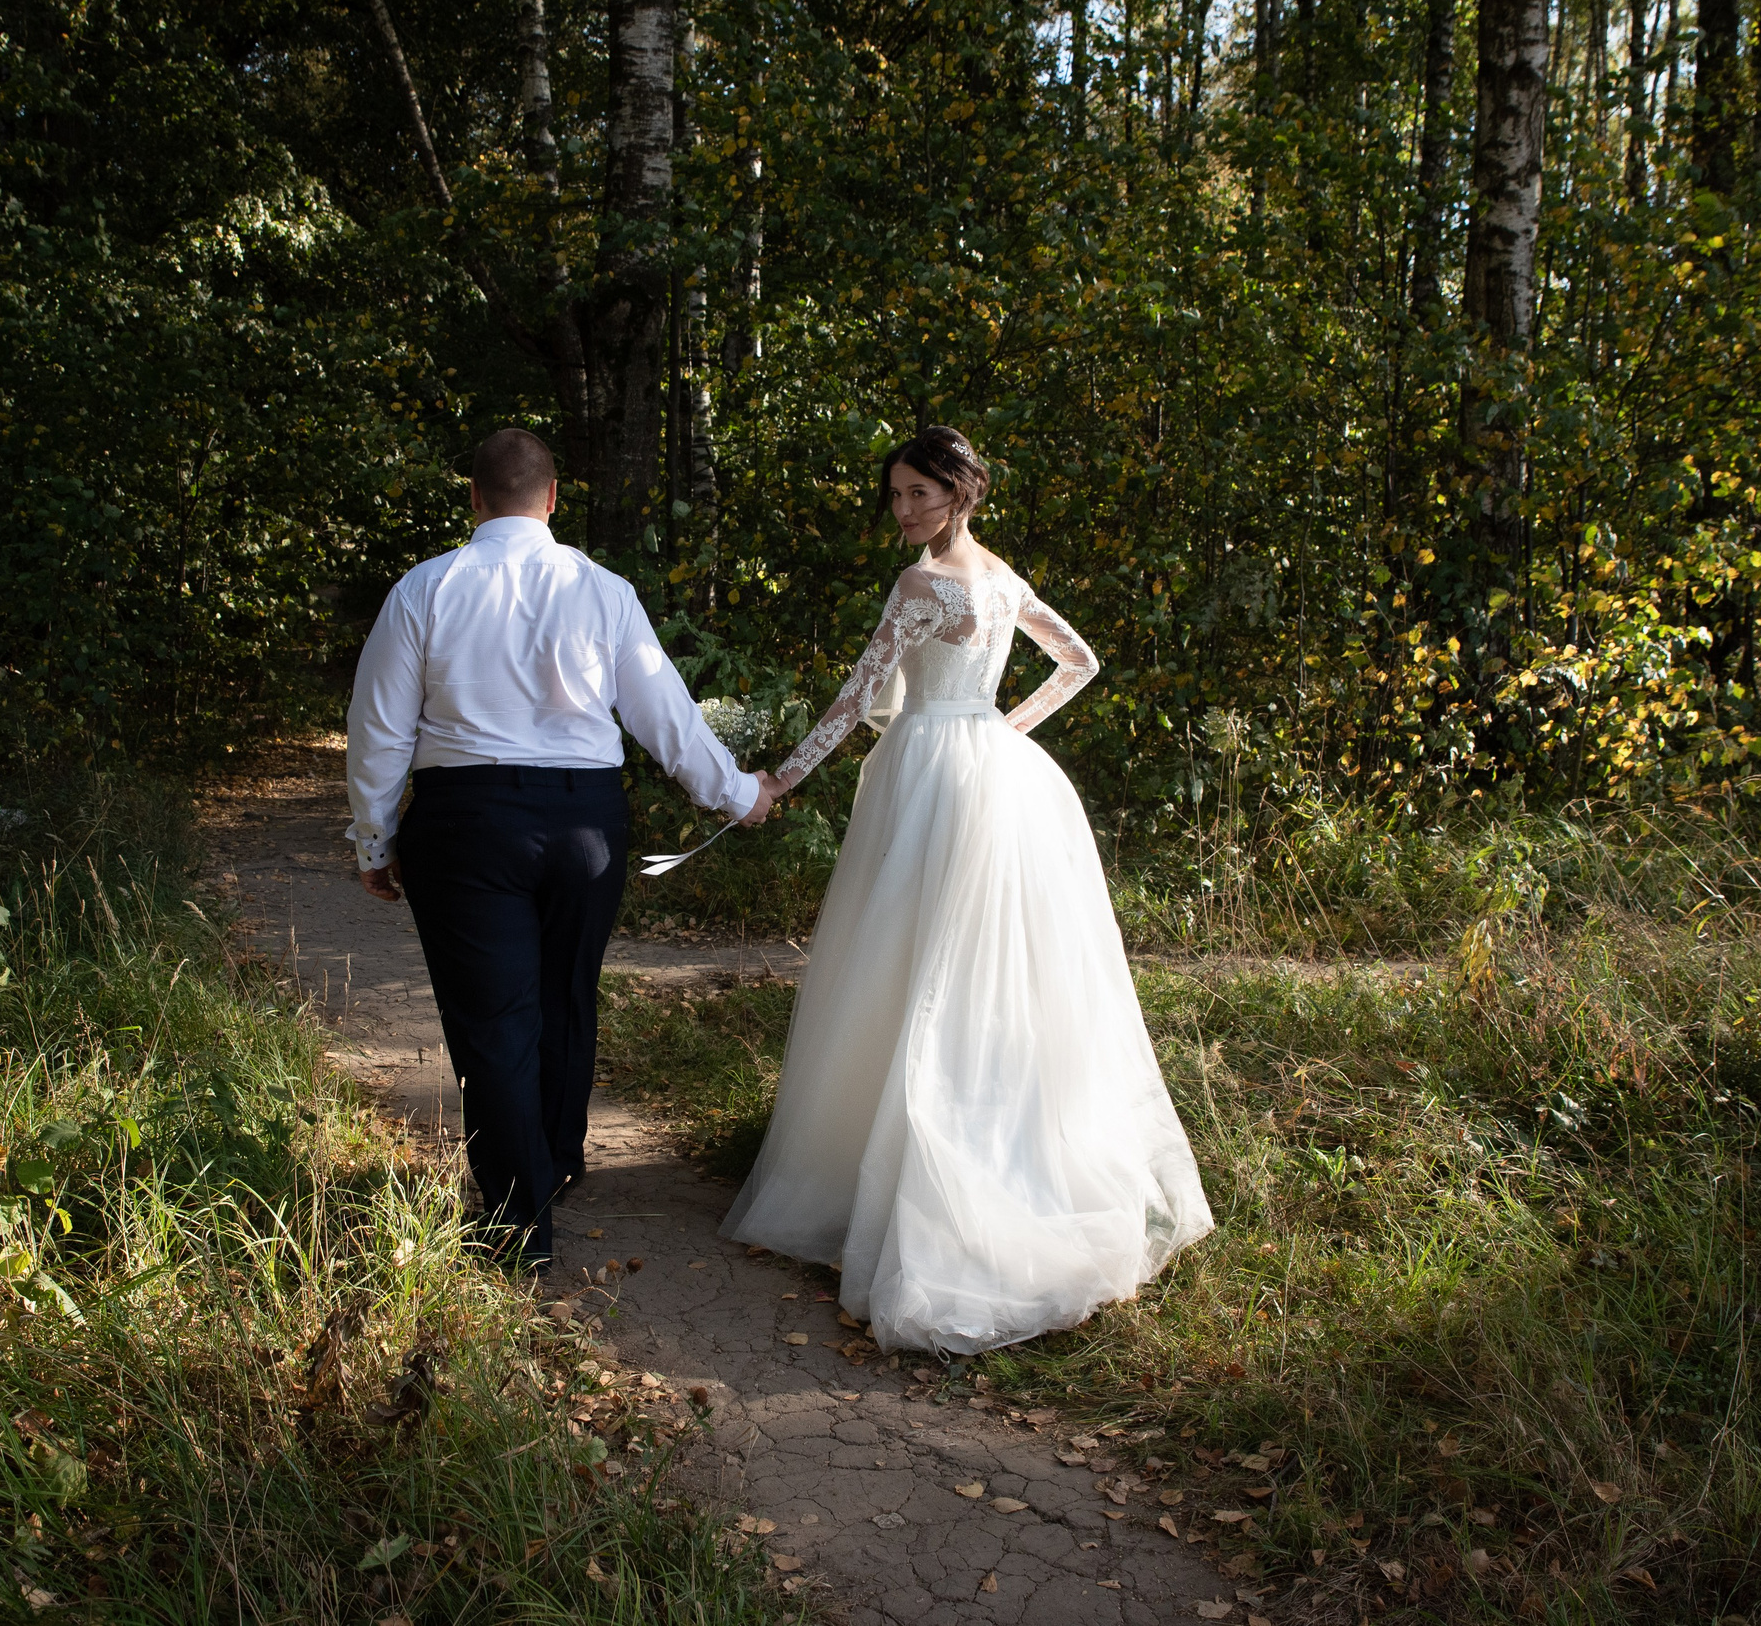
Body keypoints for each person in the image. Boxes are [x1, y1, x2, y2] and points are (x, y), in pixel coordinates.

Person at [720, 426, 1213, 1354]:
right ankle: (969, 1162)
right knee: (972, 969)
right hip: (989, 769)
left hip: (927, 773)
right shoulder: (1004, 578)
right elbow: (1080, 662)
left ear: (960, 491)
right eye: (896, 494)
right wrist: (1004, 731)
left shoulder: (921, 587)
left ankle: (907, 1183)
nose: (903, 510)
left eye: (919, 493)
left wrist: (780, 780)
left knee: (914, 962)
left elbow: (856, 695)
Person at [346, 429, 777, 1270]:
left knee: (493, 1019)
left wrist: (374, 837)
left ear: (474, 497)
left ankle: (519, 1225)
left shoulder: (424, 589)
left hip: (465, 824)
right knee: (567, 994)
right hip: (585, 821)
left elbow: (380, 728)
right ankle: (555, 1161)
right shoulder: (603, 591)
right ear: (552, 499)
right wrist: (736, 792)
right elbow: (665, 714)